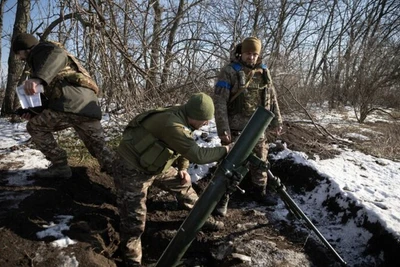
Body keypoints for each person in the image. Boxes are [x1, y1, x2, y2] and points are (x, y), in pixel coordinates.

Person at [113, 93, 230, 266]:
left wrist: (183, 169)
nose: (206, 124)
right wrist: (226, 150)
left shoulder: (183, 116)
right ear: (194, 116)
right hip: (132, 169)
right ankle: (132, 260)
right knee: (134, 221)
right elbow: (197, 154)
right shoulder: (172, 124)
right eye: (204, 120)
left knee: (185, 187)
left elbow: (183, 144)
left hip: (156, 165)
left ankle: (203, 219)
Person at [12, 33, 114, 178]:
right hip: (87, 108)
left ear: (24, 49)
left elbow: (58, 53)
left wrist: (37, 79)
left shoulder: (43, 49)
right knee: (100, 149)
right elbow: (50, 99)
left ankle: (60, 167)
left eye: (18, 53)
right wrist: (32, 112)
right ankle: (126, 179)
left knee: (34, 127)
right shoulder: (44, 64)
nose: (19, 58)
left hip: (69, 105)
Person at [213, 36, 283, 216]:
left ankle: (259, 192)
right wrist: (223, 130)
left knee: (261, 162)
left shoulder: (264, 71)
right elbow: (219, 103)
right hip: (235, 130)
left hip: (258, 128)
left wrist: (277, 121)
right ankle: (221, 199)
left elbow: (272, 98)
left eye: (254, 54)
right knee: (230, 165)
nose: (251, 57)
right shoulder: (229, 71)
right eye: (247, 53)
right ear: (241, 53)